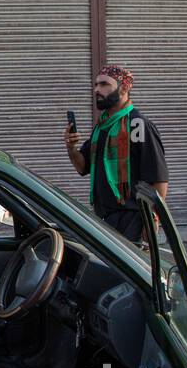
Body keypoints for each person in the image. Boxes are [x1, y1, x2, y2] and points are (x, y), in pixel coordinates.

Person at [63, 64, 169, 243]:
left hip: (133, 219)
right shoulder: (102, 127)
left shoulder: (138, 125)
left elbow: (159, 178)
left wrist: (152, 219)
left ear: (124, 88)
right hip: (106, 219)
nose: (97, 89)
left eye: (104, 84)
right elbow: (82, 166)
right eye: (96, 84)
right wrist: (71, 147)